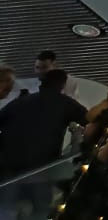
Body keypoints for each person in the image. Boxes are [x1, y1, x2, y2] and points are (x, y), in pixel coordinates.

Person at [0, 68, 87, 216]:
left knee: (6, 209)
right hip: (42, 169)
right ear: (63, 85)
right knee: (41, 211)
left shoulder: (20, 101)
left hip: (9, 169)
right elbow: (90, 119)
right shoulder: (65, 103)